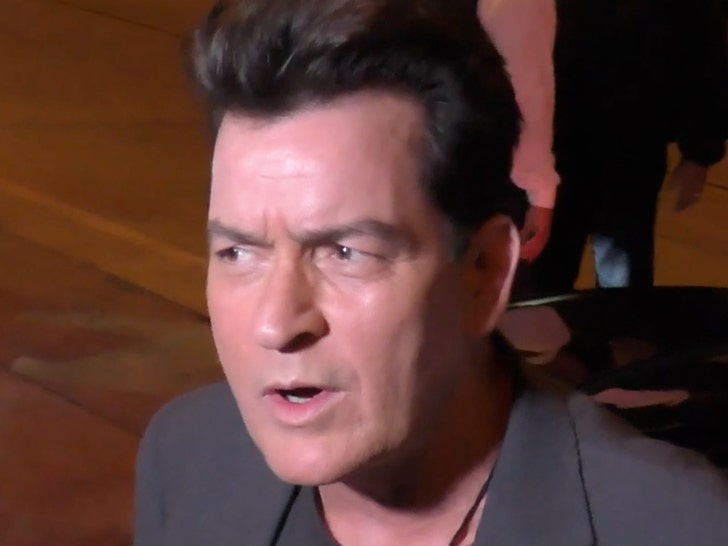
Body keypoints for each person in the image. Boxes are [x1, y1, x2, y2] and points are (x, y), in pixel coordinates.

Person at [133, 1, 728, 545]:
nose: (275, 323)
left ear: (485, 272)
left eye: (346, 253)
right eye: (238, 254)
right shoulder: (183, 460)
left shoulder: (679, 527)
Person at [532, 0, 728, 291]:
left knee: (621, 274)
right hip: (551, 142)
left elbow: (703, 45)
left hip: (630, 141)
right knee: (542, 271)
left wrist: (700, 151)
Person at [477, 0, 559, 263]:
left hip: (467, 164)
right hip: (478, 166)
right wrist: (540, 188)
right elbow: (527, 87)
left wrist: (539, 187)